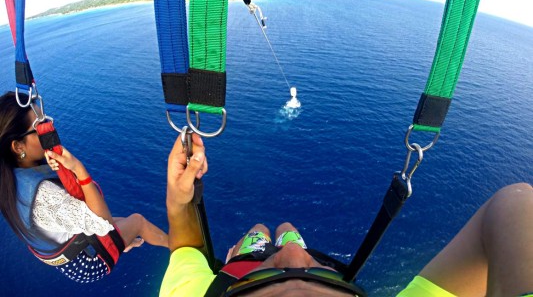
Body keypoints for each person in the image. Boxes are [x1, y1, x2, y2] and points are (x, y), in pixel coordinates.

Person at [160, 133, 533, 297]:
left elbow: (185, 250)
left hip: (241, 267)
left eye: (273, 290)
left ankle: (255, 249)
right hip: (248, 271)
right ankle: (263, 256)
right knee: (288, 230)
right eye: (316, 292)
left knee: (261, 231)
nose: (293, 258)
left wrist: (180, 200)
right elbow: (515, 203)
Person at [0, 91, 168, 283]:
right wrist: (79, 170)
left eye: (46, 122)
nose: (49, 131)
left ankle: (125, 240)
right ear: (18, 147)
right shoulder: (44, 196)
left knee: (119, 221)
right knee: (138, 221)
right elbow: (104, 224)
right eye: (40, 128)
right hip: (90, 260)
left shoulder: (11, 178)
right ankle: (177, 247)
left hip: (68, 255)